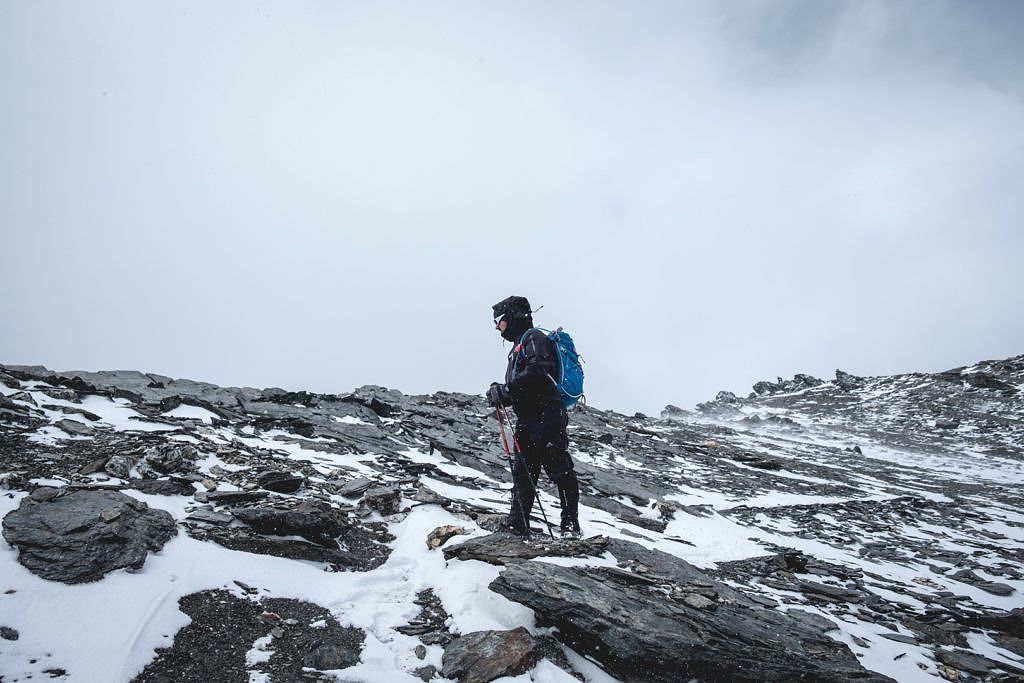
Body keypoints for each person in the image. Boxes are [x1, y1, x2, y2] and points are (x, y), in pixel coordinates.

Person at [486, 295, 581, 538]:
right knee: (523, 471)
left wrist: (505, 390)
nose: (497, 326)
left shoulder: (534, 338)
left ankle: (570, 526)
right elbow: (526, 381)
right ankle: (518, 523)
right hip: (529, 417)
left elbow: (537, 372)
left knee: (558, 467)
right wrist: (502, 393)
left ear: (511, 317)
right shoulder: (520, 344)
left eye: (499, 320)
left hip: (546, 414)